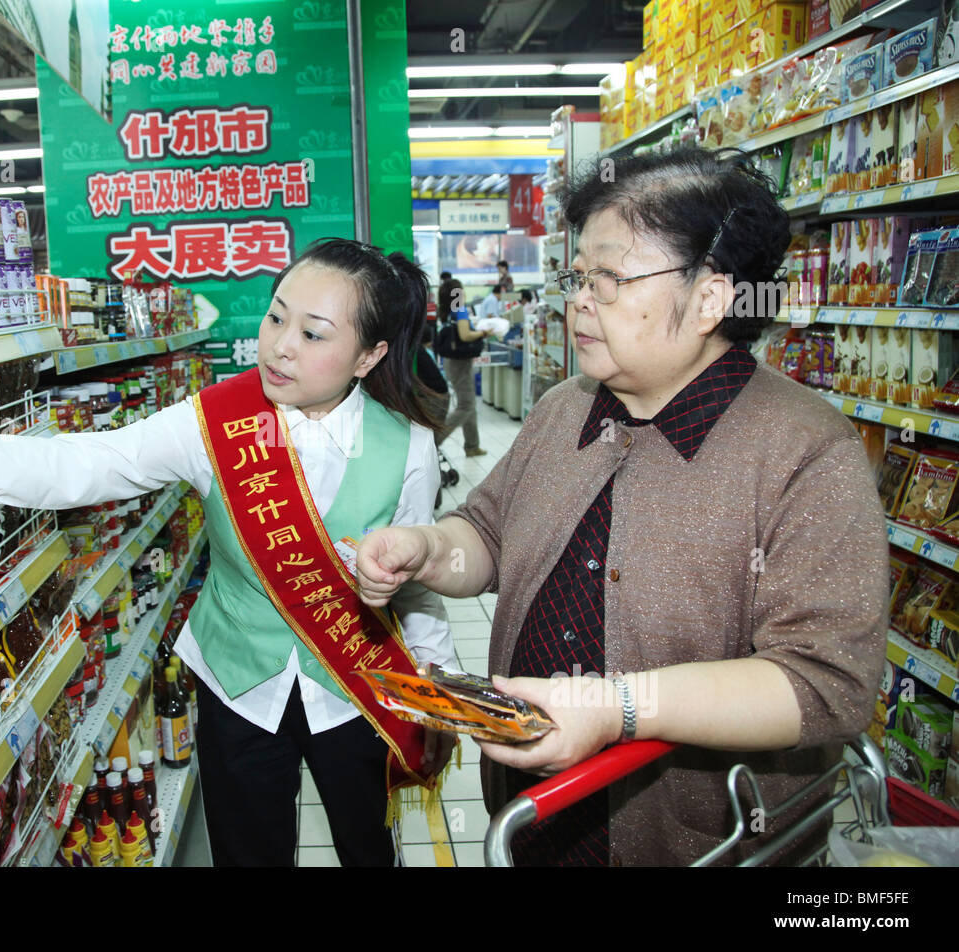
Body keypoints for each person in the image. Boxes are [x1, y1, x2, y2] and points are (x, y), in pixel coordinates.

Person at [0, 238, 458, 867]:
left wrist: (437, 683)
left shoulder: (407, 446)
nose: (280, 345)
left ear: (369, 356)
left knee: (367, 846)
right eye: (275, 316)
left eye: (313, 334)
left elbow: (420, 582)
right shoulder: (214, 421)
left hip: (356, 686)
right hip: (236, 689)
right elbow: (82, 464)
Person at [354, 147, 887, 866]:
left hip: (693, 840)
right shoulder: (560, 411)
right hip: (533, 816)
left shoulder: (805, 451)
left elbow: (827, 684)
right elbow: (485, 532)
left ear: (710, 297)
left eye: (609, 279)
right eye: (579, 277)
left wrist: (617, 707)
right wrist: (429, 549)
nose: (579, 301)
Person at [437, 302, 491, 458]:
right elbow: (465, 335)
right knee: (466, 405)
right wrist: (483, 333)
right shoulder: (459, 309)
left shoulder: (447, 309)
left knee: (470, 405)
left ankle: (472, 445)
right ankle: (435, 439)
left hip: (453, 361)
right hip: (460, 363)